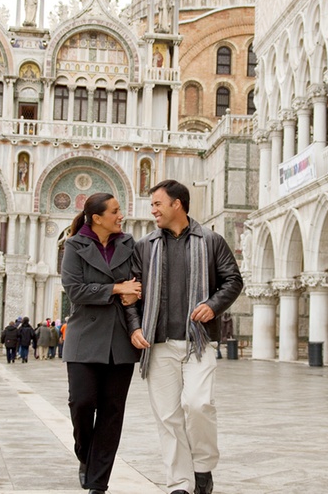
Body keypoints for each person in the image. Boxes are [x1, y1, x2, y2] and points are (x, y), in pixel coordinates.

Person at [127, 180, 243, 494]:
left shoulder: (212, 241)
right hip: (158, 342)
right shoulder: (144, 246)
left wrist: (213, 305)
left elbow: (233, 280)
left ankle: (202, 467)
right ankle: (180, 482)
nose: (153, 211)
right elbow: (132, 295)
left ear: (177, 204)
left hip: (199, 341)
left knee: (199, 403)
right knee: (167, 416)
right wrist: (135, 327)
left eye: (157, 204)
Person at [61, 192, 142, 494]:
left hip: (120, 340)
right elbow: (74, 290)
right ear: (97, 218)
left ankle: (99, 481)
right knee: (81, 402)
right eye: (115, 211)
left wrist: (133, 291)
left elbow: (138, 283)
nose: (121, 215)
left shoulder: (129, 244)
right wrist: (117, 287)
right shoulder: (74, 245)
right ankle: (86, 454)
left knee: (111, 412)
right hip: (84, 338)